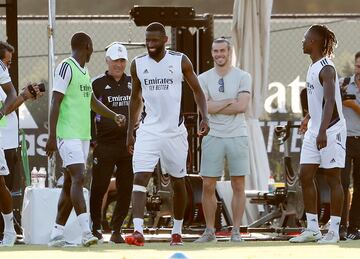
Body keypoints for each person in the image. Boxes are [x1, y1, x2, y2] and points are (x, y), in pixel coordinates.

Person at [125, 22, 210, 246]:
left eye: (154, 40)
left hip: (174, 131)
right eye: (147, 40)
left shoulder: (180, 60)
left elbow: (197, 91)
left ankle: (177, 231)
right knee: (140, 177)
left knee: (178, 182)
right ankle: (138, 231)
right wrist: (130, 131)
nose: (150, 44)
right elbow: (135, 99)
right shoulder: (137, 64)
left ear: (165, 40)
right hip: (148, 130)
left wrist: (205, 117)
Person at [45, 32, 126, 247]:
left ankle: (56, 233)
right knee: (79, 177)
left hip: (82, 135)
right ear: (88, 46)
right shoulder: (66, 67)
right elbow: (55, 100)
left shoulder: (84, 71)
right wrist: (52, 136)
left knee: (70, 183)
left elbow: (92, 102)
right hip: (67, 134)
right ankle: (85, 232)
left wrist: (113, 115)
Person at [289, 24, 345, 244]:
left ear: (313, 42)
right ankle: (312, 229)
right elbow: (318, 101)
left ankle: (334, 231)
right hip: (316, 129)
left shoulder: (327, 68)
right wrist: (308, 119)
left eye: (305, 38)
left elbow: (330, 100)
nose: (302, 41)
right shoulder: (312, 66)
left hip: (330, 129)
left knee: (333, 178)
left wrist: (322, 130)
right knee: (305, 175)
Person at [194, 37, 251, 243]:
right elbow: (204, 107)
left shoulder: (243, 76)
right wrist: (228, 101)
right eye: (215, 51)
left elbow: (241, 106)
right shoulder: (203, 78)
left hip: (238, 135)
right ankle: (210, 231)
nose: (219, 55)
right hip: (213, 135)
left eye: (222, 51)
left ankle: (235, 231)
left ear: (229, 52)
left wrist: (216, 104)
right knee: (208, 184)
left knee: (238, 184)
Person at [90, 42, 133, 244]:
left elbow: (142, 106)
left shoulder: (133, 82)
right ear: (107, 60)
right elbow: (88, 112)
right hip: (104, 144)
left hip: (128, 145)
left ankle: (117, 230)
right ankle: (95, 226)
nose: (119, 64)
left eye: (122, 60)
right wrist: (93, 140)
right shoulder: (96, 83)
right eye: (115, 60)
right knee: (99, 186)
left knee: (126, 188)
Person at [0, 42, 43, 241]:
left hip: (5, 139)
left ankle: (8, 229)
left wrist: (24, 95)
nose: (7, 67)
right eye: (6, 63)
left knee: (2, 185)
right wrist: (24, 95)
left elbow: (11, 99)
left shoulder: (2, 74)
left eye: (8, 64)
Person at [339, 51, 360, 240]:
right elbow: (326, 102)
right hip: (344, 139)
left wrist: (353, 105)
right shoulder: (343, 84)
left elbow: (352, 106)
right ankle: (340, 227)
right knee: (342, 183)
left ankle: (355, 227)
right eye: (358, 66)